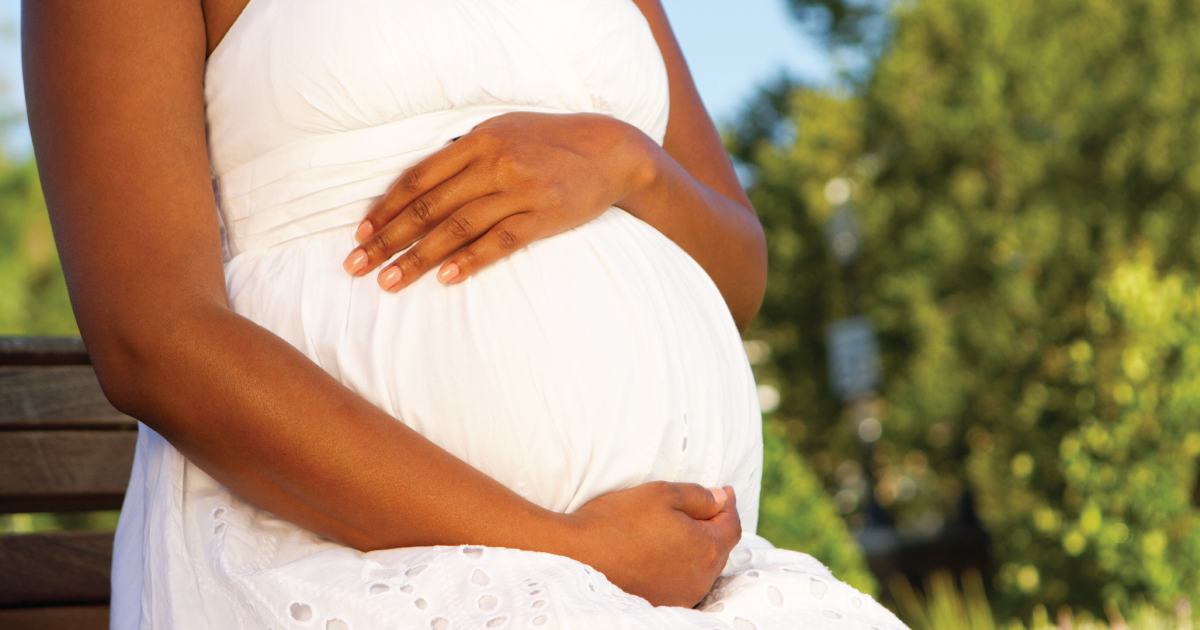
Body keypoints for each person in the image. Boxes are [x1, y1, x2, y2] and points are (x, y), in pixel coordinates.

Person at [23, 0, 910, 628]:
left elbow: (739, 273)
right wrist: (563, 551)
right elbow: (153, 337)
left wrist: (625, 163)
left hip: (691, 581)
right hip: (343, 564)